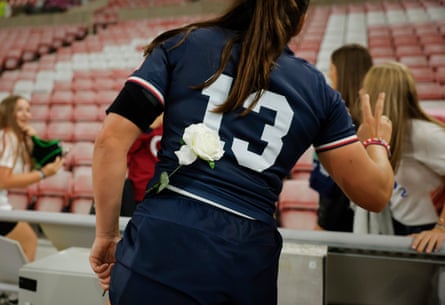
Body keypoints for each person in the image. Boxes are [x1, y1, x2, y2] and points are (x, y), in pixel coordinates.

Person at [89, 1, 394, 304]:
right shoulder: (317, 90)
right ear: (300, 22)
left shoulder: (183, 44)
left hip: (160, 239)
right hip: (243, 258)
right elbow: (376, 195)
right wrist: (377, 144)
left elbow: (110, 142)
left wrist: (106, 235)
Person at [360, 62, 445, 242]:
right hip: (397, 222)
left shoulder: (425, 134)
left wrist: (441, 228)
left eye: (366, 89)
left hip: (426, 229)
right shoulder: (378, 133)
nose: (361, 93)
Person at [309, 43, 374, 232]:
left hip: (344, 221)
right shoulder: (367, 118)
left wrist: (323, 223)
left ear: (344, 72)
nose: (329, 75)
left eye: (332, 70)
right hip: (360, 218)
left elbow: (339, 183)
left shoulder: (345, 121)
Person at [0, 95, 64, 261]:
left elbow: (23, 173)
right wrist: (44, 174)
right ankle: (19, 287)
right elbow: (4, 180)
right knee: (29, 242)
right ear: (8, 112)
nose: (25, 114)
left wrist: (33, 141)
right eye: (19, 109)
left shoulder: (8, 137)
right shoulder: (9, 138)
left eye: (28, 110)